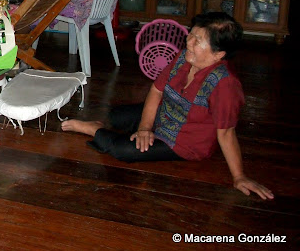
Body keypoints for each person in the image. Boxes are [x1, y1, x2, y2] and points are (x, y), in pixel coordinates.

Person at [62, 12, 274, 200]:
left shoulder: (225, 84)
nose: (188, 41)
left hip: (183, 142)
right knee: (117, 115)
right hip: (165, 114)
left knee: (122, 150)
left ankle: (92, 129)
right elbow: (156, 91)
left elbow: (226, 132)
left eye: (198, 41)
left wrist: (239, 177)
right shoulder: (184, 57)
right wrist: (145, 128)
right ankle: (110, 126)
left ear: (219, 55)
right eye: (191, 34)